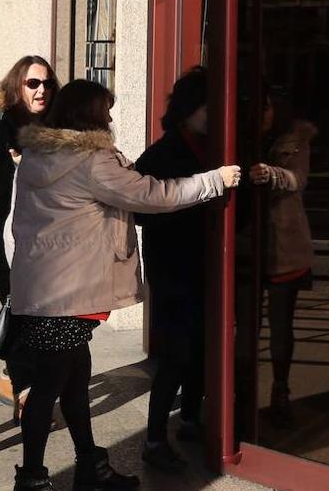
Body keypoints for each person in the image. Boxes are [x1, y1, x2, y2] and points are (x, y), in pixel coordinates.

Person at [9, 79, 241, 491]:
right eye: (106, 109)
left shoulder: (36, 155)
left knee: (74, 381)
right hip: (70, 290)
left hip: (43, 287)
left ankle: (89, 465)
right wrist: (215, 180)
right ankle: (32, 476)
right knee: (50, 387)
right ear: (89, 114)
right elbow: (153, 195)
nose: (111, 117)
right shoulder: (91, 161)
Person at [0, 56, 58, 417]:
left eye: (47, 84)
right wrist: (25, 171)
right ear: (16, 86)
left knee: (42, 320)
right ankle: (27, 396)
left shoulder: (56, 126)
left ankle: (15, 377)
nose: (41, 91)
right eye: (33, 84)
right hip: (8, 243)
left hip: (51, 243)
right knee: (22, 316)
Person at [134, 67, 213, 470]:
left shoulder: (212, 147)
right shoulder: (162, 153)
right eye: (205, 106)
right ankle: (152, 439)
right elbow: (139, 210)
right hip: (174, 271)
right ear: (186, 111)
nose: (212, 113)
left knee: (200, 350)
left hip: (204, 267)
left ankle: (192, 419)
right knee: (175, 356)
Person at [248, 89, 317, 428]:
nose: (262, 115)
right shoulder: (241, 136)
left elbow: (298, 179)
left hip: (283, 244)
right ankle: (242, 395)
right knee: (246, 327)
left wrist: (271, 174)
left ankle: (280, 390)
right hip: (247, 244)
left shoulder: (296, 138)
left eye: (267, 108)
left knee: (280, 325)